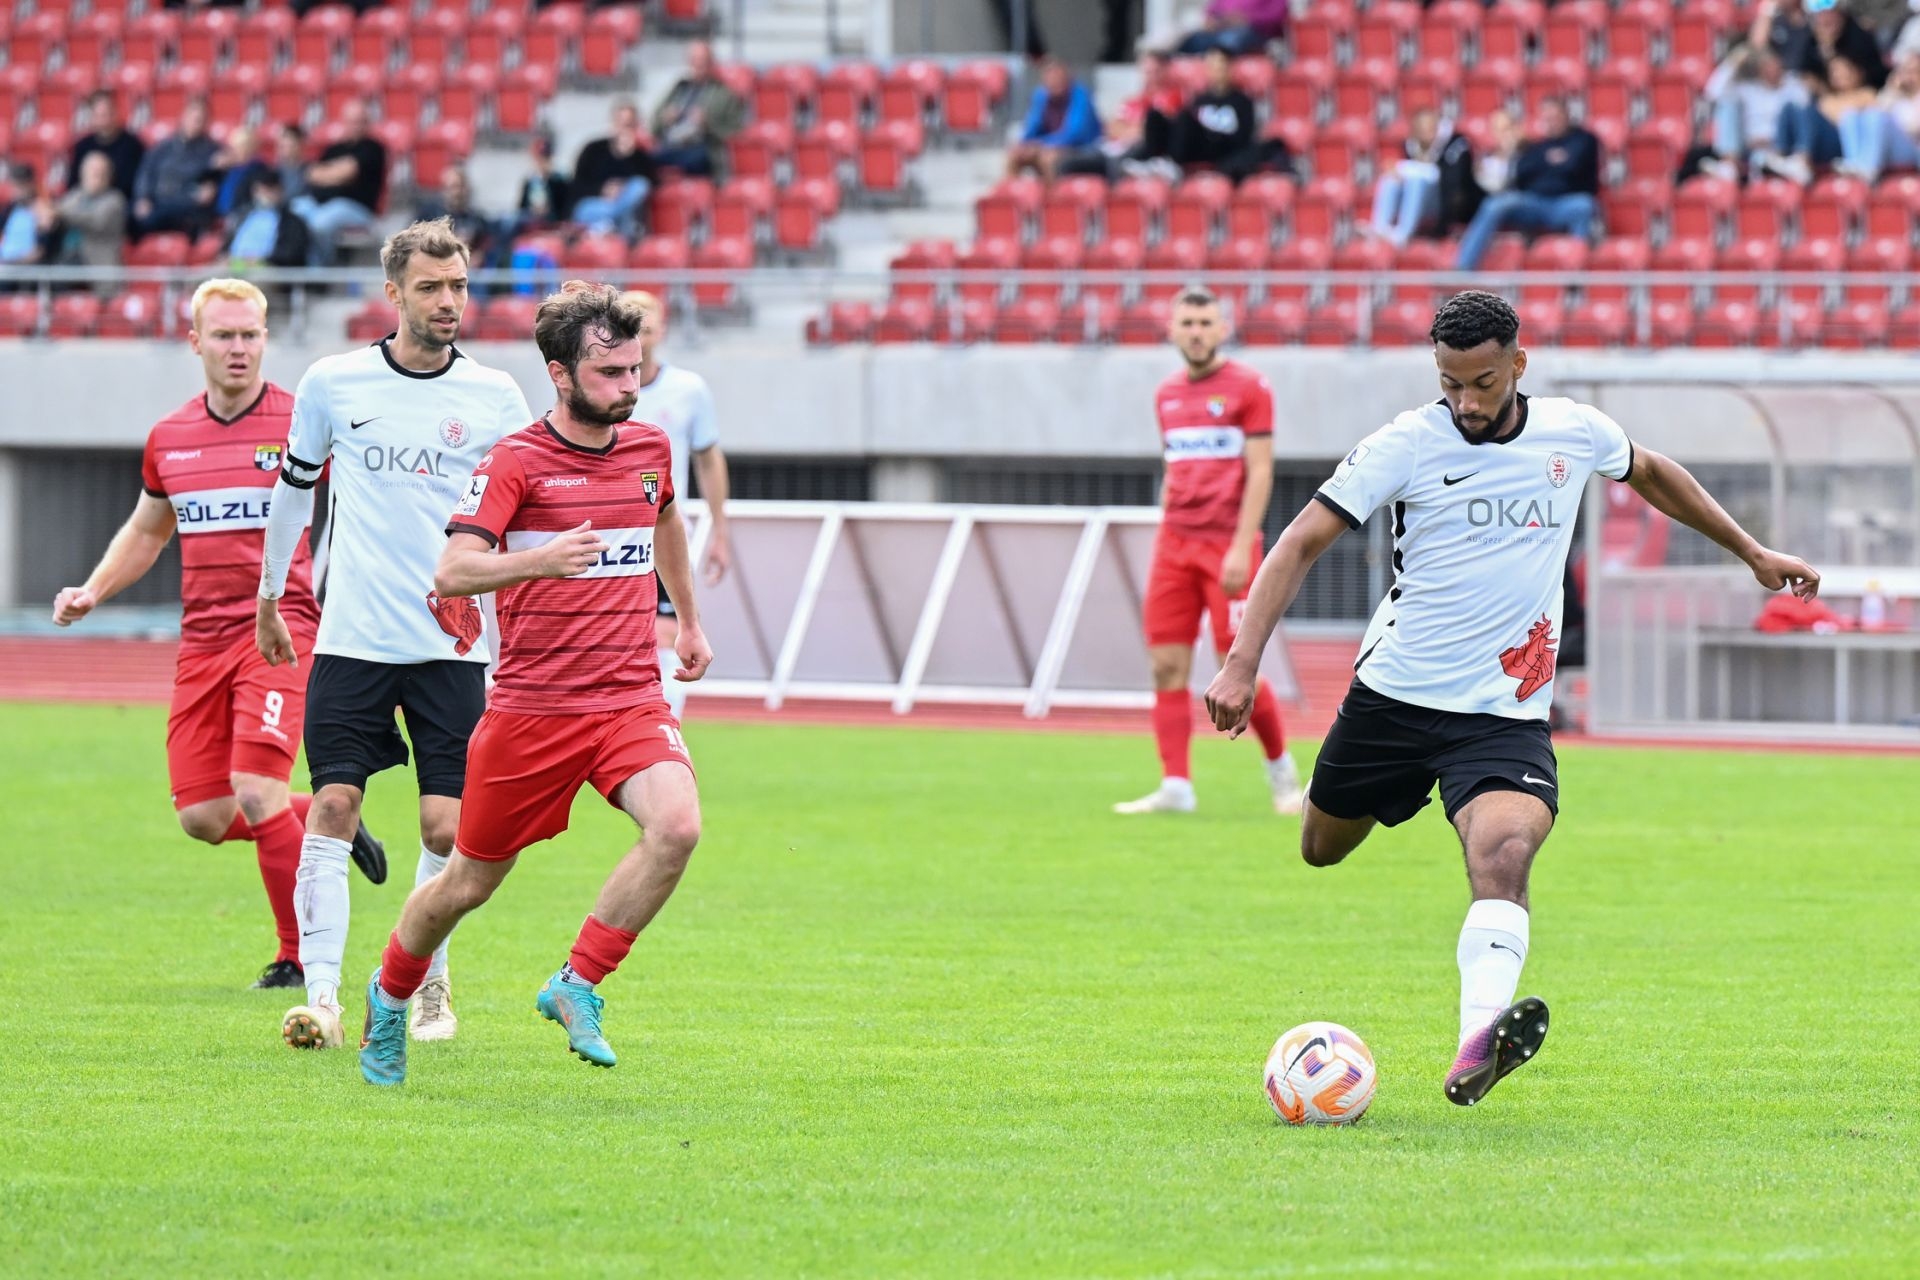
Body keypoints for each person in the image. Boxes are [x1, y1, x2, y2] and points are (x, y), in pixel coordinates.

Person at [1203, 291, 1821, 1108]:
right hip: (1395, 699)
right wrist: (1241, 664)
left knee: (1504, 854)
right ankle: (1388, 802)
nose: (1466, 401)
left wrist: (1750, 551)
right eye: (1451, 383)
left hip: (1503, 714)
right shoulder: (1404, 444)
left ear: (1518, 365)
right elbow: (1298, 542)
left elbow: (1651, 472)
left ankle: (1478, 1040)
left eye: (1484, 383)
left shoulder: (1574, 431)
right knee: (1321, 846)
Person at [356, 282, 713, 1087]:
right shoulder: (515, 461)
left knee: (678, 828)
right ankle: (389, 995)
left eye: (634, 370)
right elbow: (452, 571)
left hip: (628, 698)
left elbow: (665, 520)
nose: (628, 387)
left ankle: (576, 982)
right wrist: (539, 561)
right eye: (610, 373)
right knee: (466, 884)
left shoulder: (650, 448)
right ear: (559, 373)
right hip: (531, 713)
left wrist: (688, 620)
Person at [51, 279, 386, 990]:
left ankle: (298, 958)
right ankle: (328, 817)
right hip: (202, 644)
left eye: (250, 335)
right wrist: (93, 589)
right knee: (204, 816)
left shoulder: (303, 420)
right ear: (196, 341)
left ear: (266, 339)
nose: (239, 348)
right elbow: (149, 531)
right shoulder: (170, 438)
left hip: (280, 632)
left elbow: (372, 497)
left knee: (257, 790)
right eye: (225, 335)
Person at [256, 219, 534, 1052]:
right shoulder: (333, 382)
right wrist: (270, 595)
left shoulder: (495, 396)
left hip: (453, 644)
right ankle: (322, 1000)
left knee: (447, 830)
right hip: (353, 638)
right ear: (393, 293)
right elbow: (294, 492)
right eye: (430, 287)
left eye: (458, 286)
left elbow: (525, 516)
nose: (449, 301)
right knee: (333, 805)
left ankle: (426, 979)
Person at [1115, 287, 1303, 817]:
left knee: (1234, 667)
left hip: (1227, 544)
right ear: (1172, 331)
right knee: (1165, 664)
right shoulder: (1166, 394)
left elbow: (1261, 471)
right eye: (1187, 323)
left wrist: (1243, 546)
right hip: (1174, 543)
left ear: (1222, 328)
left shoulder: (1250, 387)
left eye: (1204, 323)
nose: (1196, 332)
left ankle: (1282, 772)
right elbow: (1174, 467)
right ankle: (1176, 785)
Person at [626, 290, 731, 720]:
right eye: (635, 322)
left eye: (650, 321)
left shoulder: (688, 389)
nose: (643, 329)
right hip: (611, 536)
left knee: (667, 634)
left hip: (666, 536)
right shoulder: (601, 388)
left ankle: (664, 729)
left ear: (663, 328)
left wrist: (720, 531)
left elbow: (708, 457)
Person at [1454, 100, 1599, 272]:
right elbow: (1522, 171)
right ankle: (1463, 267)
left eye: (1556, 117)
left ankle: (1576, 272)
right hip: (1533, 202)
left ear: (1566, 115)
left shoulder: (1584, 140)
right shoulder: (1538, 146)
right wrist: (1551, 162)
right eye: (1547, 118)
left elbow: (1573, 166)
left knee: (1584, 205)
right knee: (1495, 204)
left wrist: (1546, 165)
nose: (1552, 122)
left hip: (1565, 203)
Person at [1057, 47, 1184, 181]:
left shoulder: (1174, 97)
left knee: (1116, 166)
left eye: (1155, 72)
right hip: (1111, 149)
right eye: (1147, 72)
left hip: (1140, 152)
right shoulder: (1133, 101)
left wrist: (1130, 129)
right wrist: (1134, 129)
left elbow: (1153, 131)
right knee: (1066, 163)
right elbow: (1112, 129)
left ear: (1165, 71)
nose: (1150, 77)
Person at [289, 101, 387, 265]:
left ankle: (322, 268)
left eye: (360, 121)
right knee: (294, 210)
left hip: (358, 209)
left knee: (320, 224)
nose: (356, 126)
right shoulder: (334, 148)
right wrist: (336, 173)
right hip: (324, 203)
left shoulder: (373, 148)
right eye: (352, 121)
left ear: (368, 122)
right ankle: (295, 263)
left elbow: (347, 172)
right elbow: (312, 174)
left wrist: (330, 174)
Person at [1367, 109, 1482, 248]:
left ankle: (1403, 234)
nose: (1426, 133)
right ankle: (1379, 227)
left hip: (1446, 203)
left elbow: (1452, 183)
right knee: (1390, 179)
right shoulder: (1410, 145)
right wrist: (1400, 172)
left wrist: (1405, 169)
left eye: (1430, 127)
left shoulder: (1456, 144)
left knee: (1417, 182)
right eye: (1421, 129)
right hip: (1417, 201)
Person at [1766, 55, 1879, 184]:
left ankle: (1802, 160)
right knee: (1790, 106)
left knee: (1807, 111)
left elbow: (1844, 121)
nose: (1837, 74)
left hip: (1843, 144)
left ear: (1856, 72)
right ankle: (1780, 156)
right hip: (1820, 142)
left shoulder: (1866, 94)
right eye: (1833, 71)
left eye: (1842, 70)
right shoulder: (1828, 98)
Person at [1705, 47, 1810, 180]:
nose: (1771, 70)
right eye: (1766, 66)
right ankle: (1729, 164)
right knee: (1727, 106)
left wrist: (1771, 140)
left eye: (1775, 65)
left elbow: (1804, 109)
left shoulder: (1792, 85)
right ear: (1759, 69)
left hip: (1781, 145)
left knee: (1795, 108)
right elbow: (1713, 93)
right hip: (1750, 146)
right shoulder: (1747, 89)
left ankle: (1796, 162)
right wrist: (1733, 61)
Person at [649, 41, 746, 179]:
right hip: (672, 145)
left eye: (703, 60)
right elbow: (654, 123)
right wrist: (665, 118)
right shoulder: (679, 88)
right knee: (640, 159)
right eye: (694, 60)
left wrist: (708, 125)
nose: (698, 64)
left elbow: (737, 132)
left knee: (695, 159)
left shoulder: (724, 94)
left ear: (711, 62)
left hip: (704, 149)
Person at [133, 97, 221, 237]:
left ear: (207, 122)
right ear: (183, 117)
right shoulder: (162, 147)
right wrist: (143, 198)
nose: (196, 122)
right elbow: (146, 172)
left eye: (200, 119)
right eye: (193, 117)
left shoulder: (213, 152)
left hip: (187, 206)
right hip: (158, 202)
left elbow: (211, 184)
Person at [570, 100, 658, 236]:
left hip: (627, 207)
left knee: (639, 185)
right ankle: (609, 224)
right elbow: (577, 186)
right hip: (597, 205)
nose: (623, 129)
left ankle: (607, 226)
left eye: (628, 125)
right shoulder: (592, 150)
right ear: (613, 124)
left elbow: (650, 184)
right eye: (620, 123)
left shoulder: (640, 156)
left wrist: (628, 155)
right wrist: (602, 189)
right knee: (584, 209)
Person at [1005, 57, 1102, 181]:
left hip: (1083, 148)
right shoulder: (1041, 96)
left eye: (1059, 79)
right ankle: (1011, 191)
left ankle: (1053, 193)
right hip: (1048, 145)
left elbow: (1075, 134)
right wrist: (1025, 145)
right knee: (1015, 155)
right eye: (1051, 80)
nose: (1055, 83)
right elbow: (1032, 127)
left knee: (1048, 159)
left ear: (1068, 80)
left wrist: (1042, 144)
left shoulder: (1080, 95)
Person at [1168, 49, 1260, 177]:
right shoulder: (1200, 100)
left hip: (1228, 149)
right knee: (1169, 118)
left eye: (1220, 66)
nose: (1217, 71)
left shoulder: (1243, 102)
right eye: (1212, 66)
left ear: (1230, 67)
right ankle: (1169, 165)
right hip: (1203, 147)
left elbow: (1244, 138)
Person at [69, 91, 146, 206]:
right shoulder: (82, 146)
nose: (104, 120)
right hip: (85, 200)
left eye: (107, 113)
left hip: (118, 202)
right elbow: (73, 183)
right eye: (99, 115)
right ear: (92, 117)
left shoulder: (132, 145)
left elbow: (136, 184)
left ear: (116, 113)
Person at [56, 152, 129, 272]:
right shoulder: (75, 195)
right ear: (82, 173)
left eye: (102, 172)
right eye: (93, 171)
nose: (97, 176)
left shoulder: (115, 200)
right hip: (67, 259)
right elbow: (57, 212)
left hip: (98, 266)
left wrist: (58, 213)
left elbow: (95, 220)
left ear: (110, 176)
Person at [225, 170, 311, 269]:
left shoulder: (292, 222)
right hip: (235, 267)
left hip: (269, 270)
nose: (264, 195)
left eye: (269, 190)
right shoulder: (243, 215)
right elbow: (228, 245)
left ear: (280, 191)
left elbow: (290, 255)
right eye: (259, 190)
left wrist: (262, 261)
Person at [1176, 0, 1289, 57]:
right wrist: (1211, 19)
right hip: (1221, 29)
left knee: (1230, 40)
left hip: (1256, 32)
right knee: (1194, 39)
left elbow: (1278, 16)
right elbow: (1212, 10)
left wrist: (1247, 19)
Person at [514, 132, 573, 234]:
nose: (541, 162)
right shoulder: (530, 181)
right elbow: (521, 208)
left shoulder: (560, 181)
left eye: (545, 158)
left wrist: (548, 180)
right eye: (538, 158)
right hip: (531, 223)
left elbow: (565, 209)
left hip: (553, 223)